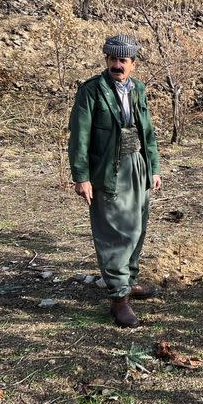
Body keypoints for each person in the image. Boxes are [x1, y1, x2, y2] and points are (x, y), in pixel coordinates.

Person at [68, 34, 161, 327]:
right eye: (112, 59)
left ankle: (129, 281)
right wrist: (81, 177)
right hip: (107, 170)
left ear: (132, 64)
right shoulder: (92, 91)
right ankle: (118, 299)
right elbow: (79, 137)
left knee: (136, 225)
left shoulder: (138, 90)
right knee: (114, 232)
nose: (117, 65)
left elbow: (147, 133)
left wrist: (154, 168)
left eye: (123, 60)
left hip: (137, 165)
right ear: (106, 60)